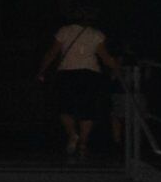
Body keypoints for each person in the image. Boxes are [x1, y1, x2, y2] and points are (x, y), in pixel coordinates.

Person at [41, 16, 117, 158]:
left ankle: (72, 135)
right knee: (88, 110)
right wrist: (116, 68)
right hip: (89, 74)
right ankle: (83, 142)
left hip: (67, 72)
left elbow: (53, 53)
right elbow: (105, 57)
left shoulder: (64, 31)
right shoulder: (96, 34)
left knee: (64, 108)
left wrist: (42, 70)